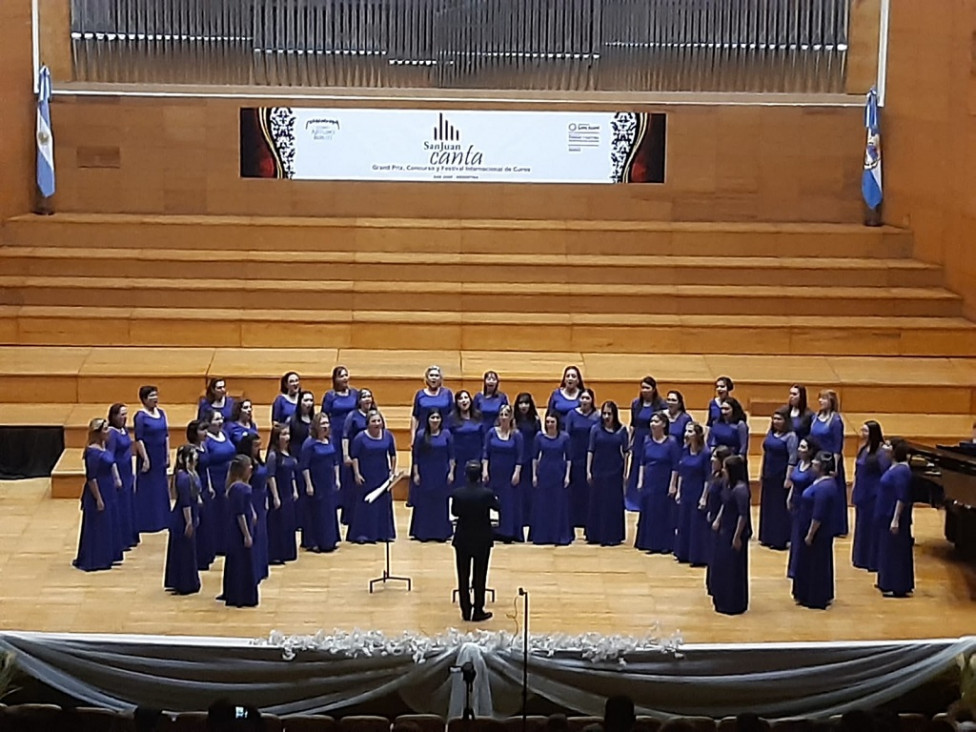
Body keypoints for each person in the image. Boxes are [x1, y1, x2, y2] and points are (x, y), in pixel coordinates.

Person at [451, 459, 500, 622]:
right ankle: (478, 609)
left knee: (463, 576)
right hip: (482, 539)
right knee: (480, 575)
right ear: (481, 476)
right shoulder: (487, 494)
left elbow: (455, 512)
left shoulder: (458, 493)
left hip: (463, 539)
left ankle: (465, 610)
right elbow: (497, 507)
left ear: (465, 476)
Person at [792, 451, 838, 610]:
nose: (812, 465)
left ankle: (815, 596)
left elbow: (818, 514)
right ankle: (806, 593)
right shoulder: (820, 482)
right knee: (810, 563)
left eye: (815, 464)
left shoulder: (825, 487)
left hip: (817, 533)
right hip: (807, 529)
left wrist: (810, 534)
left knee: (815, 565)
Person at [73, 418, 119, 572]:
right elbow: (91, 478)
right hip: (98, 490)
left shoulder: (104, 447)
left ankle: (106, 555)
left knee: (107, 524)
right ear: (98, 433)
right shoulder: (92, 452)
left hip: (108, 488)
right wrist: (98, 499)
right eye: (105, 429)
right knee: (97, 525)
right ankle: (95, 558)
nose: (109, 432)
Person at [710, 455, 752, 615]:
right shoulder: (728, 485)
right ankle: (722, 599)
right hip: (725, 528)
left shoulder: (741, 490)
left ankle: (733, 602)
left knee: (733, 568)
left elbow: (743, 516)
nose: (723, 471)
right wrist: (718, 520)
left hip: (734, 531)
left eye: (726, 468)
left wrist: (736, 537)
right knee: (722, 566)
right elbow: (724, 504)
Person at [348, 409, 398, 543]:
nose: (377, 423)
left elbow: (393, 454)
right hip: (366, 475)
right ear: (367, 423)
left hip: (382, 474)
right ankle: (363, 534)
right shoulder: (360, 438)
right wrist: (357, 474)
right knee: (365, 504)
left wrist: (392, 472)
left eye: (378, 420)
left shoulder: (387, 435)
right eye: (373, 421)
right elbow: (355, 457)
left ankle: (384, 533)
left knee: (383, 503)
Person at [634, 412, 680, 554]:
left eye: (656, 421)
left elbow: (675, 466)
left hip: (664, 481)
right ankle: (648, 542)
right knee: (649, 511)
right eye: (652, 421)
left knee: (663, 512)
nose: (653, 424)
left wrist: (673, 485)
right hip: (650, 481)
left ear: (664, 424)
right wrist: (640, 481)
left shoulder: (671, 442)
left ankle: (664, 544)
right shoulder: (647, 440)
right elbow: (642, 462)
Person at [585, 401, 629, 546]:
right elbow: (591, 450)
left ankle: (612, 534)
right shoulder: (595, 429)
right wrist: (588, 470)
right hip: (599, 470)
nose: (606, 416)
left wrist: (625, 472)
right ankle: (595, 534)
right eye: (604, 413)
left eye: (609, 414)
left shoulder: (622, 430)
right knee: (598, 502)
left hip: (615, 471)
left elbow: (626, 452)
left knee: (613, 503)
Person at [875, 440, 914, 597]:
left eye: (889, 446)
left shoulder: (902, 471)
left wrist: (896, 519)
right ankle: (887, 581)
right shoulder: (894, 466)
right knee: (887, 549)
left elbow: (901, 496)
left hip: (893, 515)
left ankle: (897, 584)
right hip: (886, 514)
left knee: (896, 551)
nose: (885, 447)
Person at [410, 409, 455, 542]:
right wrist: (416, 473)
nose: (435, 420)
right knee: (424, 503)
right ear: (427, 420)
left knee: (441, 503)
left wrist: (451, 472)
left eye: (437, 418)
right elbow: (416, 456)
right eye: (432, 418)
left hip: (441, 472)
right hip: (425, 473)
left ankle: (441, 533)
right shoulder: (420, 435)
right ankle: (423, 533)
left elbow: (452, 456)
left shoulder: (447, 434)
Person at [483, 404, 525, 543]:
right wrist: (485, 469)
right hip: (494, 472)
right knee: (492, 501)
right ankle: (492, 530)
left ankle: (508, 532)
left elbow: (520, 456)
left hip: (509, 473)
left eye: (506, 415)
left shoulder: (516, 435)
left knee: (508, 503)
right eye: (501, 415)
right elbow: (486, 453)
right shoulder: (491, 432)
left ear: (511, 417)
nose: (503, 417)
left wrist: (517, 472)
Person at [300, 412, 342, 553]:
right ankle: (314, 542)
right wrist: (309, 484)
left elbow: (335, 461)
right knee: (316, 512)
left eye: (326, 423)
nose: (325, 426)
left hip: (328, 481)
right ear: (316, 426)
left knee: (329, 511)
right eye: (322, 423)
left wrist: (337, 479)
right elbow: (304, 465)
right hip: (316, 481)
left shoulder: (330, 440)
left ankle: (329, 540)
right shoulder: (309, 443)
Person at [529, 412, 572, 546]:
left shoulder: (565, 437)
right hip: (544, 472)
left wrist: (567, 476)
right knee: (543, 504)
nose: (549, 424)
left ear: (557, 423)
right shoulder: (539, 437)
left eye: (552, 422)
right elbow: (535, 458)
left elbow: (569, 458)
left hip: (558, 471)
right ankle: (542, 535)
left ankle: (558, 535)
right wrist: (534, 475)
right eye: (547, 422)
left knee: (558, 504)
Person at [851, 420, 890, 571]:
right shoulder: (863, 449)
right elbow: (857, 471)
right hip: (862, 491)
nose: (862, 434)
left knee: (871, 526)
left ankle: (871, 560)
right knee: (862, 525)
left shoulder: (880, 452)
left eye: (865, 431)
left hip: (873, 493)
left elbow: (884, 473)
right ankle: (861, 558)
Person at [758, 408, 798, 551]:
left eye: (779, 419)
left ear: (786, 421)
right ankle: (767, 536)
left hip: (780, 475)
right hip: (769, 473)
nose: (776, 422)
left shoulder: (791, 436)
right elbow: (766, 453)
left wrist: (789, 478)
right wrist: (761, 472)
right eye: (774, 419)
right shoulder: (771, 434)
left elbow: (792, 458)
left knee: (779, 509)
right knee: (768, 506)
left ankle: (779, 538)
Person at [164, 445, 201, 595]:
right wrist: (189, 522)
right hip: (183, 517)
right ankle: (184, 582)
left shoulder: (191, 473)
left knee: (189, 550)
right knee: (184, 550)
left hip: (191, 512)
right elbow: (185, 501)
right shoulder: (183, 477)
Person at [626, 376, 667, 511]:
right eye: (642, 387)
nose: (644, 390)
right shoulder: (636, 404)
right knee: (636, 465)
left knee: (648, 466)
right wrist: (629, 440)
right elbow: (633, 424)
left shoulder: (661, 405)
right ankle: (632, 499)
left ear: (654, 389)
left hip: (652, 437)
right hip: (639, 438)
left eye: (647, 388)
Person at [810, 389, 848, 536]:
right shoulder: (815, 417)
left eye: (824, 399)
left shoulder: (836, 420)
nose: (821, 401)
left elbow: (838, 445)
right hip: (816, 460)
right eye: (820, 398)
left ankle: (835, 526)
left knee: (832, 493)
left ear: (831, 402)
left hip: (829, 461)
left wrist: (835, 466)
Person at [133, 385, 170, 534]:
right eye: (151, 396)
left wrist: (167, 454)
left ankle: (163, 519)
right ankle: (147, 522)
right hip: (148, 455)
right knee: (148, 489)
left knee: (161, 487)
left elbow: (166, 435)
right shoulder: (140, 416)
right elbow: (139, 439)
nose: (155, 399)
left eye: (156, 395)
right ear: (144, 400)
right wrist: (145, 459)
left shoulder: (161, 413)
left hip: (160, 454)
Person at [222, 455, 258, 608]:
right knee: (242, 561)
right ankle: (242, 595)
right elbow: (240, 513)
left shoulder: (239, 486)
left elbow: (246, 506)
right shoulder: (240, 488)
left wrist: (253, 513)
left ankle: (235, 593)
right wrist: (247, 534)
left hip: (237, 528)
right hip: (239, 530)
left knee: (238, 560)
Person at [674, 421, 711, 566]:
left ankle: (697, 556)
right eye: (686, 431)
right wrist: (678, 490)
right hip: (686, 490)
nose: (686, 434)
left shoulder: (705, 454)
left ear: (698, 435)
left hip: (698, 491)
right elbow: (681, 472)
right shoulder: (685, 450)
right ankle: (683, 553)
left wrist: (704, 497)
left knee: (697, 525)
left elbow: (708, 477)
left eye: (690, 431)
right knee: (684, 522)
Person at [200, 410, 237, 555]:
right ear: (208, 422)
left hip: (228, 478)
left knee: (227, 512)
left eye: (221, 419)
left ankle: (226, 543)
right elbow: (205, 464)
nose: (220, 422)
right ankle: (215, 545)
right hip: (215, 479)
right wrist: (209, 485)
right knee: (216, 513)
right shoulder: (206, 440)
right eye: (216, 420)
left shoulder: (225, 434)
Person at [564, 388, 599, 529]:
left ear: (592, 400)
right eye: (582, 398)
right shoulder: (572, 414)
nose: (584, 401)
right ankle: (573, 518)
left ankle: (587, 518)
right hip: (575, 454)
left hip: (590, 455)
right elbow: (567, 434)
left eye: (587, 398)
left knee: (588, 487)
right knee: (574, 486)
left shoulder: (597, 416)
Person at [341, 388, 376, 526]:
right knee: (354, 489)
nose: (367, 399)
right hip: (356, 457)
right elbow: (345, 436)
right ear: (359, 401)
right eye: (364, 396)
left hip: (371, 458)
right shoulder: (353, 416)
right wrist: (345, 455)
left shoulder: (375, 415)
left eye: (369, 396)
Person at [786, 437, 820, 579]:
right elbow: (794, 482)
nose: (799, 450)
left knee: (802, 537)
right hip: (796, 503)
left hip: (807, 505)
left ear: (810, 450)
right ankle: (793, 568)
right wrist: (789, 497)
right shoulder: (800, 463)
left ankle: (801, 570)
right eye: (799, 447)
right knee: (795, 537)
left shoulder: (813, 469)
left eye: (803, 447)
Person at [106, 402, 138, 551]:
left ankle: (129, 536)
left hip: (128, 471)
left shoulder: (124, 430)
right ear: (114, 416)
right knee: (121, 506)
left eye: (126, 414)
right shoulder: (112, 433)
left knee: (128, 504)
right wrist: (116, 477)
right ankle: (121, 539)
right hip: (119, 472)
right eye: (121, 414)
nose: (124, 417)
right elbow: (110, 457)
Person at [265, 424, 299, 564]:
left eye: (288, 434)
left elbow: (292, 473)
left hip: (289, 492)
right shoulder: (273, 455)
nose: (287, 437)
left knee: (288, 523)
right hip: (279, 492)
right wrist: (276, 496)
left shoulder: (288, 452)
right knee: (278, 524)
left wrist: (295, 489)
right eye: (283, 434)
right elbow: (270, 476)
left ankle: (288, 552)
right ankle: (276, 554)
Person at [239, 433, 269, 581]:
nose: (258, 448)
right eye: (255, 446)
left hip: (262, 499)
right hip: (252, 500)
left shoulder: (258, 460)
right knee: (254, 533)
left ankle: (261, 568)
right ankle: (253, 571)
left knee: (261, 535)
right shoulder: (246, 464)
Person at [187, 419, 216, 570]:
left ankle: (207, 555)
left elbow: (207, 469)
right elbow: (191, 473)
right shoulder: (191, 450)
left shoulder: (204, 447)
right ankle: (197, 558)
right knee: (199, 521)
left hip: (205, 486)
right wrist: (197, 494)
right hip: (195, 487)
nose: (205, 433)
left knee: (207, 522)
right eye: (202, 430)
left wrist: (210, 486)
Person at [704, 446, 732, 596]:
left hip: (720, 520)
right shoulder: (715, 474)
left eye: (715, 457)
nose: (711, 459)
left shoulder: (725, 480)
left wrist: (718, 519)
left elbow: (725, 501)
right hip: (712, 514)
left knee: (718, 553)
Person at [513, 392, 541, 530]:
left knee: (530, 490)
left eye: (526, 403)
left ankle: (530, 518)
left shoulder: (535, 421)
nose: (523, 406)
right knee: (517, 490)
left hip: (531, 458)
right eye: (521, 403)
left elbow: (539, 440)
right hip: (516, 458)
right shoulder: (513, 421)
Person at [448, 390, 484, 489]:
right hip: (459, 458)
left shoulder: (478, 416)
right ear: (457, 402)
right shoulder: (452, 418)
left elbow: (483, 437)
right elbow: (449, 440)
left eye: (466, 398)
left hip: (476, 455)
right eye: (460, 399)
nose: (464, 401)